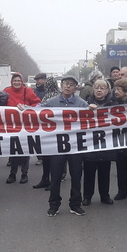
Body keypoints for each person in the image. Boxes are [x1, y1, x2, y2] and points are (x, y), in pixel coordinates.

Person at [42, 75, 88, 216]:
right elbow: (35, 113)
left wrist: (95, 110)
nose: (67, 86)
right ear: (61, 86)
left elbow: (91, 121)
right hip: (57, 146)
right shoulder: (51, 102)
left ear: (75, 88)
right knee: (55, 176)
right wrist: (23, 109)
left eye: (71, 84)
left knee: (76, 176)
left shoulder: (82, 104)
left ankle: (75, 204)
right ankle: (54, 205)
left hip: (75, 146)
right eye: (65, 84)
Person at [82, 79, 116, 205]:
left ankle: (104, 195)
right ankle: (87, 196)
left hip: (106, 144)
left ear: (107, 91)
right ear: (93, 90)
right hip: (90, 144)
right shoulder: (85, 103)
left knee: (104, 172)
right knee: (89, 172)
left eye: (102, 88)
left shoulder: (114, 105)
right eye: (96, 87)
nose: (99, 90)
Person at [4, 72, 40, 184]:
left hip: (25, 125)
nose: (17, 82)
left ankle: (24, 173)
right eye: (15, 80)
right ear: (11, 81)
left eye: (19, 80)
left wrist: (27, 108)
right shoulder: (6, 92)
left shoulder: (28, 91)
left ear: (22, 81)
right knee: (13, 150)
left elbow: (38, 104)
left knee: (25, 149)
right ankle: (13, 173)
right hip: (12, 125)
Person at [32, 77, 62, 190]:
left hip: (47, 131)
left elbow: (39, 110)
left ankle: (47, 179)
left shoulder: (47, 97)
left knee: (48, 158)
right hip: (57, 131)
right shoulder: (59, 95)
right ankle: (51, 179)